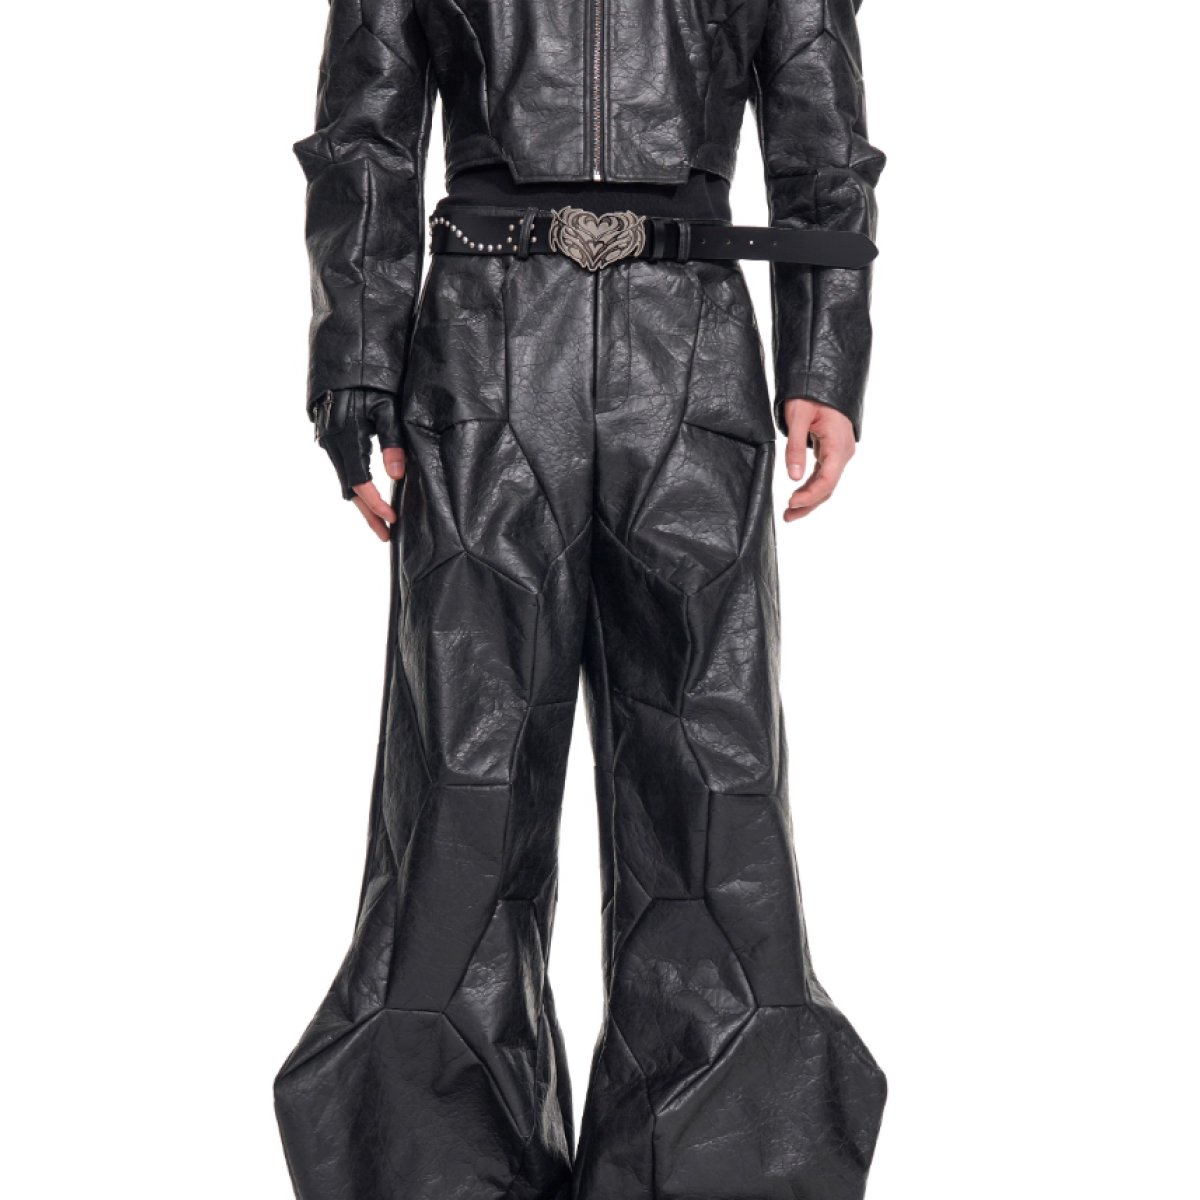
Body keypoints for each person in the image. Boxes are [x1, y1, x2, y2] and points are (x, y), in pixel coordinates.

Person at [274, 0, 888, 1197]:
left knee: (712, 778)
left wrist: (826, 352)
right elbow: (367, 122)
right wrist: (355, 367)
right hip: (481, 344)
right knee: (464, 776)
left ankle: (713, 1171)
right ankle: (442, 1169)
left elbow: (819, 117)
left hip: (690, 341)